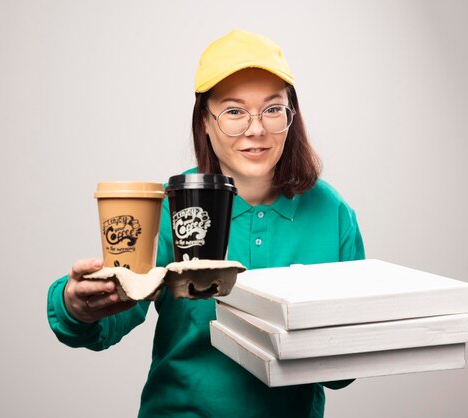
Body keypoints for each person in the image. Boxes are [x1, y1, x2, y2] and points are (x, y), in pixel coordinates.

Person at [47, 29, 365, 418]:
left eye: (272, 109)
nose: (256, 128)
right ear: (206, 121)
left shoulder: (332, 214)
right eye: (233, 111)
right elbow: (112, 314)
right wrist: (74, 304)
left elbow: (342, 373)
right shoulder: (171, 205)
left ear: (290, 115)